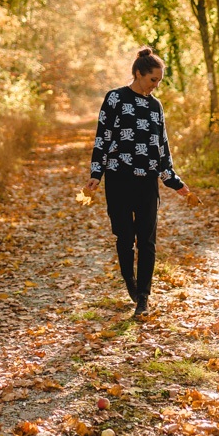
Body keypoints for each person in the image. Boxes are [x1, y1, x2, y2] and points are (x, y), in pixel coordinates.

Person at [84, 47, 193, 317]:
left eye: (159, 81)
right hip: (119, 180)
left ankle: (143, 297)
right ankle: (131, 284)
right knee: (124, 237)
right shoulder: (115, 99)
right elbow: (102, 138)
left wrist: (175, 182)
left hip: (147, 184)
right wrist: (96, 174)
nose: (155, 86)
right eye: (152, 79)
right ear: (138, 74)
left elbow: (162, 149)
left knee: (147, 241)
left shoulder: (156, 107)